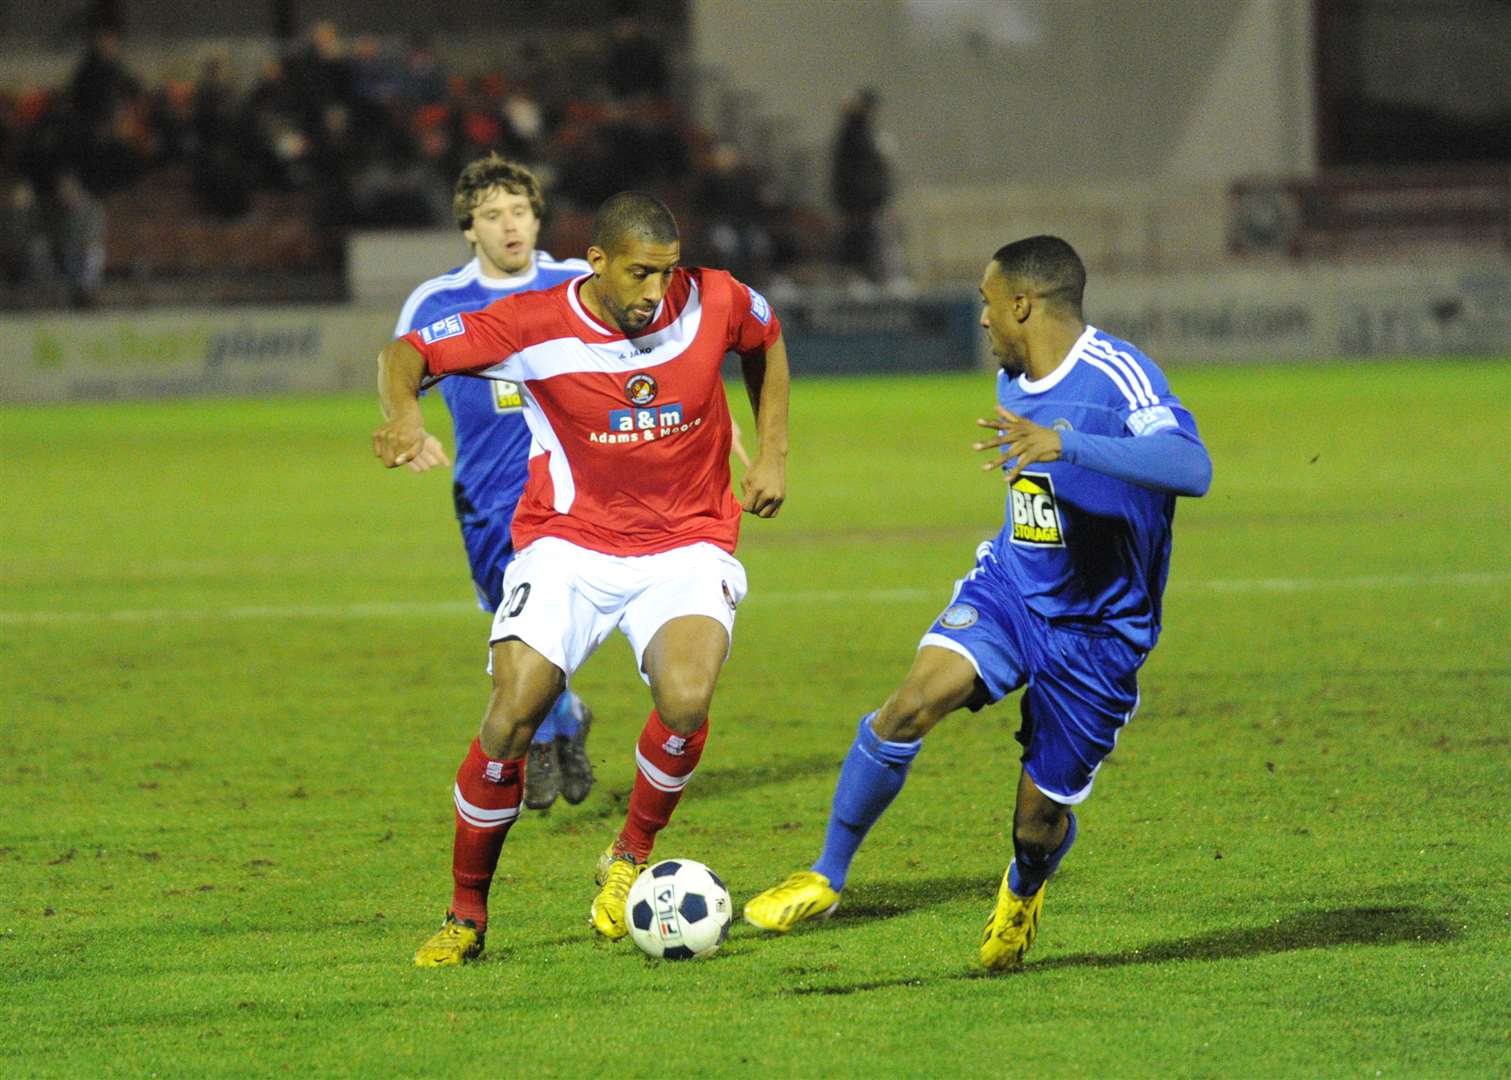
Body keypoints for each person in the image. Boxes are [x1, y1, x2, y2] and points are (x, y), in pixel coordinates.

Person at [743, 235, 1211, 970]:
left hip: (1097, 634)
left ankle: (1024, 889)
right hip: (1010, 592)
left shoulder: (1117, 375)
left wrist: (1068, 444)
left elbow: (1191, 466)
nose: (983, 320)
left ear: (1022, 304)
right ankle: (826, 875)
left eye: (988, 304)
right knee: (905, 706)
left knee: (1034, 826)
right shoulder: (1011, 377)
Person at [372, 190, 790, 966]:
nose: (654, 293)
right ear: (596, 261)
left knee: (688, 697)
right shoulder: (531, 324)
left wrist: (772, 453)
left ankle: (629, 852)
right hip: (568, 543)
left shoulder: (716, 296)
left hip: (686, 541)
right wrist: (404, 414)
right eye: (638, 274)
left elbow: (764, 339)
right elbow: (407, 355)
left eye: (665, 274)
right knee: (510, 719)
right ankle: (467, 917)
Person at [393, 153, 597, 812]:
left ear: (538, 219)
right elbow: (402, 372)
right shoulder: (438, 301)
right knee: (520, 626)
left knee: (549, 624)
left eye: (519, 212)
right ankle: (565, 720)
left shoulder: (576, 283)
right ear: (468, 230)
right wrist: (408, 426)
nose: (509, 226)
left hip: (575, 490)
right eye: (491, 216)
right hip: (487, 499)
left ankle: (540, 736)